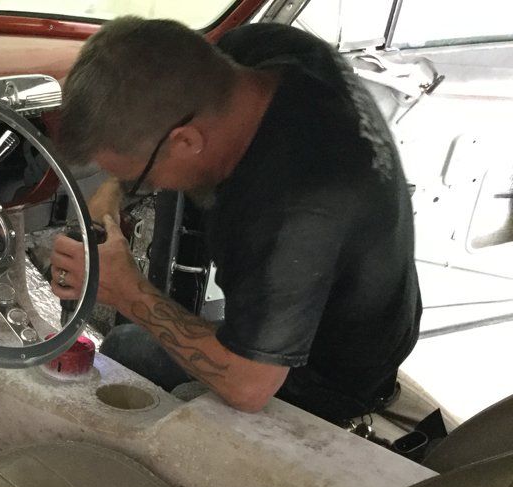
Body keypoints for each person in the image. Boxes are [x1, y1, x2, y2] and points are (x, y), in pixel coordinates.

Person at [49, 18, 422, 424]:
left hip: (332, 371)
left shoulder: (285, 214)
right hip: (371, 297)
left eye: (142, 177)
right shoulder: (261, 51)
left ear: (187, 141)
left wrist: (126, 291)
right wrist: (119, 187)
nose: (144, 186)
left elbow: (248, 386)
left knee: (126, 350)